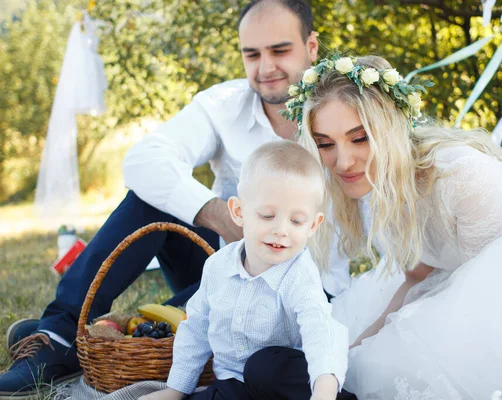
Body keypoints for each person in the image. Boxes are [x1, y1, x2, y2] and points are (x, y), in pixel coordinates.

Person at [0, 0, 327, 397]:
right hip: (224, 263)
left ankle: (84, 347)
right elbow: (144, 159)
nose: (265, 67)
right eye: (251, 54)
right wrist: (219, 216)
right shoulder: (224, 104)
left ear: (311, 47)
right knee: (151, 197)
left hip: (298, 290)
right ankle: (59, 331)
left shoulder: (340, 117)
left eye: (279, 50)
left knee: (182, 324)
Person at [288, 54, 502, 399]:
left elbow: (486, 300)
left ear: (389, 129)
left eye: (360, 138)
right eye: (326, 144)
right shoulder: (379, 184)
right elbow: (417, 276)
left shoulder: (462, 178)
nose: (343, 162)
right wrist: (353, 350)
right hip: (462, 284)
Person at [140, 141, 356, 400]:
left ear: (312, 225)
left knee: (262, 366)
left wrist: (324, 392)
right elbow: (196, 327)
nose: (281, 229)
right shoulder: (218, 266)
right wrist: (176, 390)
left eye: (296, 221)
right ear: (239, 212)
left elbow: (320, 331)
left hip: (283, 380)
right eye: (267, 215)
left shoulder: (299, 274)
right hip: (234, 382)